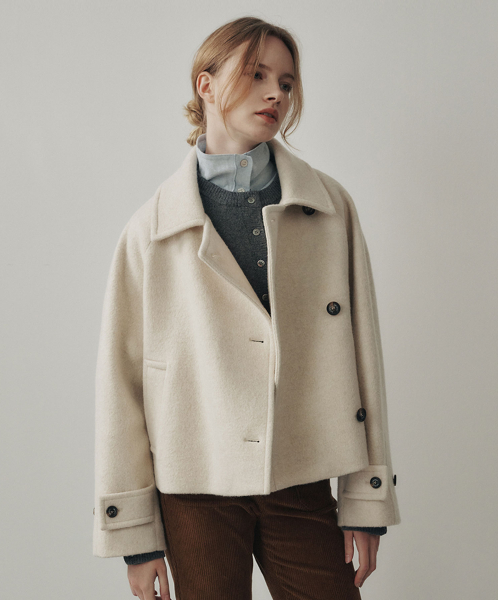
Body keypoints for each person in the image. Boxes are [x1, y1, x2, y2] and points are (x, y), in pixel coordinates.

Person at [92, 16, 401, 600]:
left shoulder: (329, 208)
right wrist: (135, 537)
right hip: (195, 486)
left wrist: (367, 497)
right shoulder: (150, 231)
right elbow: (121, 385)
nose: (275, 94)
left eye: (285, 82)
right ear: (205, 85)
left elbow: (365, 357)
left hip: (302, 472)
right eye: (256, 75)